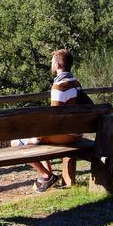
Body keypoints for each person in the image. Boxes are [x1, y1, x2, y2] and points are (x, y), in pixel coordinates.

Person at [13, 49, 83, 193]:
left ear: (57, 65)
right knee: (37, 136)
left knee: (17, 142)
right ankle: (48, 178)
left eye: (52, 63)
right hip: (77, 133)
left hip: (66, 135)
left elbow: (54, 118)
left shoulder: (59, 86)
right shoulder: (75, 83)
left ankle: (47, 175)